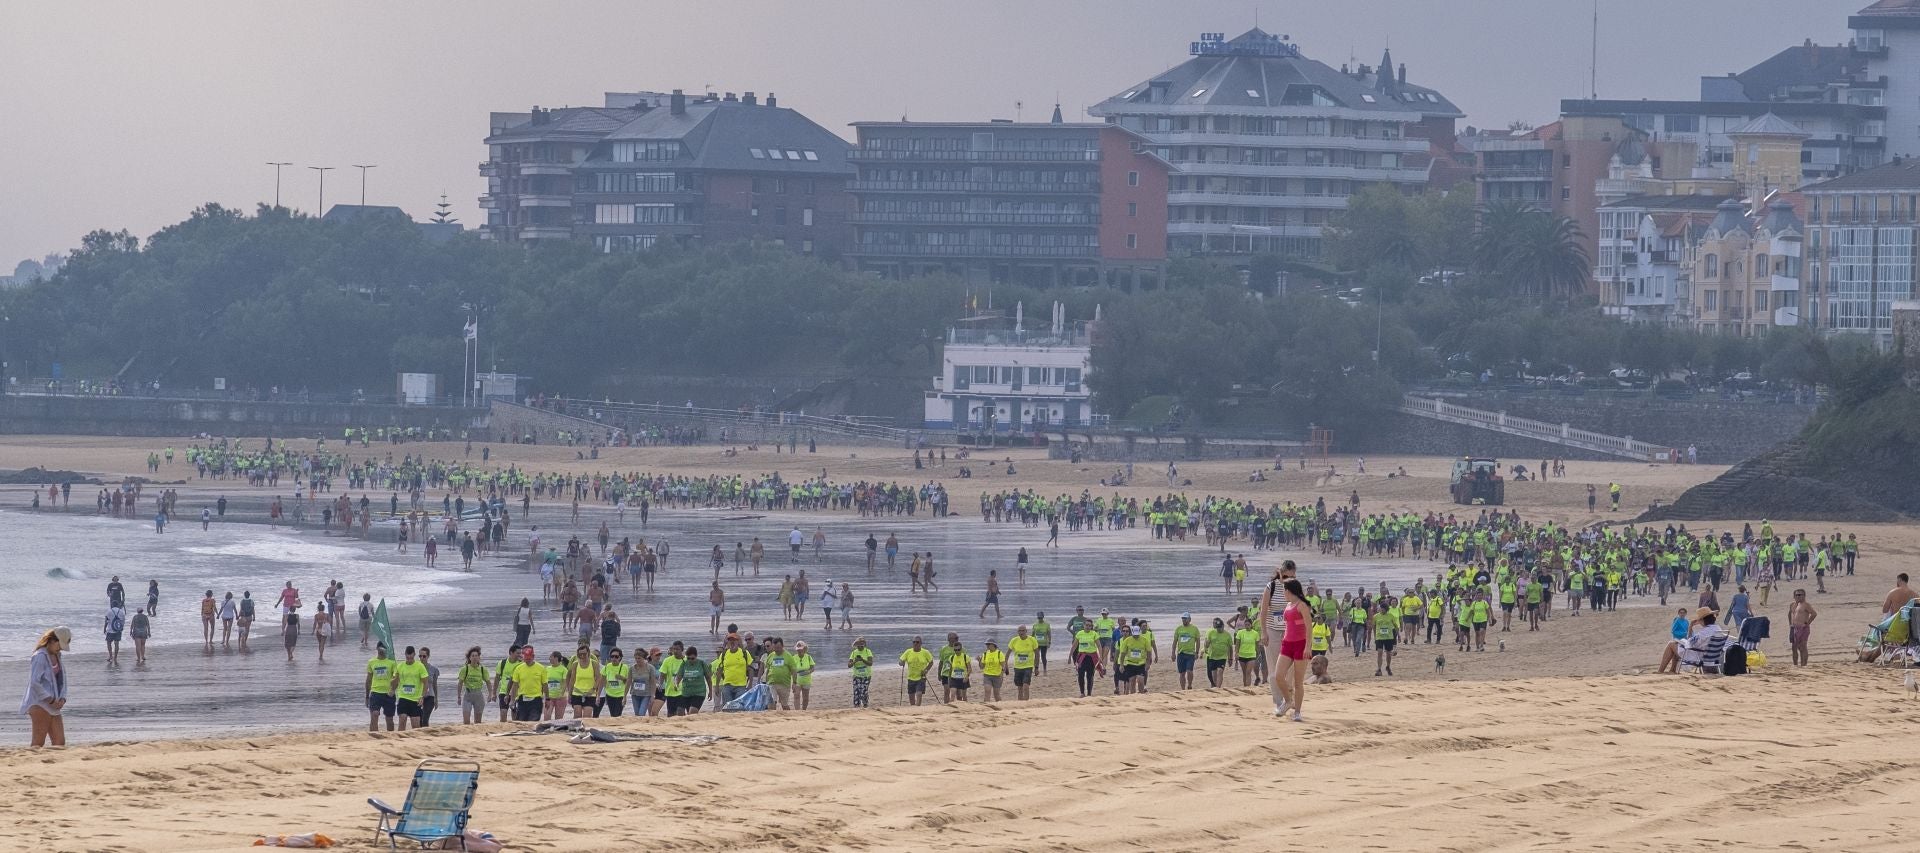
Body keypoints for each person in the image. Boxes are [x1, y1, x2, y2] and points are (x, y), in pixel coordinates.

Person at [21, 627, 71, 747]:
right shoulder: (39, 656)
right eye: (59, 645)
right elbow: (34, 683)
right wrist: (50, 700)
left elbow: (62, 680)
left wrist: (63, 698)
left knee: (59, 742)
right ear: (52, 640)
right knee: (38, 743)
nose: (60, 649)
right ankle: (34, 765)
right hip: (39, 704)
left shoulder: (57, 656)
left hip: (54, 705)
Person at [1272, 579, 1311, 721]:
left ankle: (1298, 712)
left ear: (1289, 591)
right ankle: (1288, 701)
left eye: (1284, 590)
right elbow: (1289, 625)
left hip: (1301, 644)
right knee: (1278, 675)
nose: (1283, 593)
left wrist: (1308, 646)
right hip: (1287, 644)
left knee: (1298, 681)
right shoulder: (1288, 605)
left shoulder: (1302, 605)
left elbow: (1309, 627)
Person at [365, 644, 397, 732]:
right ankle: (374, 736)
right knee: (374, 715)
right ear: (377, 648)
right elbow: (368, 680)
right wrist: (367, 696)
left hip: (388, 694)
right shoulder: (372, 662)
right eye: (380, 648)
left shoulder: (392, 662)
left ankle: (390, 737)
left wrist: (393, 689)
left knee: (389, 719)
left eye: (384, 648)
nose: (382, 650)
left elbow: (396, 678)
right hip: (376, 692)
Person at [457, 647, 490, 724]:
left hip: (478, 695)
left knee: (478, 722)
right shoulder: (464, 669)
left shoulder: (483, 669)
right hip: (468, 695)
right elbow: (460, 683)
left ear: (479, 657)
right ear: (469, 658)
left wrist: (490, 694)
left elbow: (488, 682)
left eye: (476, 656)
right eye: (473, 656)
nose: (475, 657)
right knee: (466, 721)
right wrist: (459, 696)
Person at [900, 636, 934, 706]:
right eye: (914, 642)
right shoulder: (908, 651)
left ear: (921, 643)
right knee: (911, 697)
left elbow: (931, 662)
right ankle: (913, 709)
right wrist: (902, 663)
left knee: (919, 693)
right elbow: (900, 661)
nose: (915, 643)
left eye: (917, 642)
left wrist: (926, 670)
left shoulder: (925, 652)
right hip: (911, 677)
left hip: (921, 677)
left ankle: (918, 708)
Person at [1787, 589, 1817, 667]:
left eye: (1801, 595)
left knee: (1803, 646)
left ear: (1804, 596)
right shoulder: (1792, 605)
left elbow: (1814, 614)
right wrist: (1790, 624)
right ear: (1794, 596)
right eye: (1797, 595)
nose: (1799, 596)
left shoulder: (1806, 605)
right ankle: (1795, 665)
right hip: (1794, 628)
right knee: (1794, 647)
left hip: (1803, 628)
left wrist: (1807, 623)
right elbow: (1789, 614)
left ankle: (1804, 665)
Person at [600, 648, 632, 717]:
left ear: (620, 658)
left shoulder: (625, 667)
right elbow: (602, 681)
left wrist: (622, 678)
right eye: (612, 656)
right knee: (613, 715)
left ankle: (618, 726)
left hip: (620, 695)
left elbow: (629, 682)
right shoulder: (607, 666)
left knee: (617, 714)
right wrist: (598, 696)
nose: (614, 658)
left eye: (616, 656)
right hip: (610, 695)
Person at [848, 637, 875, 708]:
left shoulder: (867, 651)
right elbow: (849, 665)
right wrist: (855, 661)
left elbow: (870, 663)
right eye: (858, 646)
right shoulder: (854, 653)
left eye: (861, 646)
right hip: (856, 675)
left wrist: (862, 660)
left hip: (866, 675)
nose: (860, 647)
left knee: (864, 691)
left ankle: (865, 704)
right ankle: (856, 706)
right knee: (856, 692)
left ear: (864, 645)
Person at [792, 640, 816, 710]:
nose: (799, 651)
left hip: (806, 680)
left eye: (801, 649)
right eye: (798, 650)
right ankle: (797, 711)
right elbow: (792, 670)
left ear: (804, 649)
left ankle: (804, 710)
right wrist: (793, 682)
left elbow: (813, 668)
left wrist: (808, 672)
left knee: (805, 698)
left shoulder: (808, 657)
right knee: (796, 696)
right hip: (797, 680)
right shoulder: (793, 658)